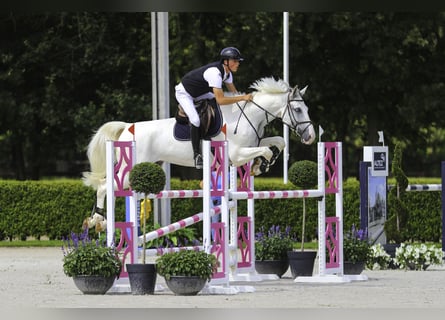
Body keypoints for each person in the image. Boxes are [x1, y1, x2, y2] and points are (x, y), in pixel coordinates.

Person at [175, 47, 253, 169]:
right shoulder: (214, 73)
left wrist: (244, 105)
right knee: (195, 120)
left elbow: (234, 94)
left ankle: (211, 131)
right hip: (185, 93)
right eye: (235, 61)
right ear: (226, 61)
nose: (238, 63)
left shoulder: (227, 74)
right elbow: (221, 100)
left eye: (238, 61)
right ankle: (197, 155)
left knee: (214, 102)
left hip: (200, 92)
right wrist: (243, 98)